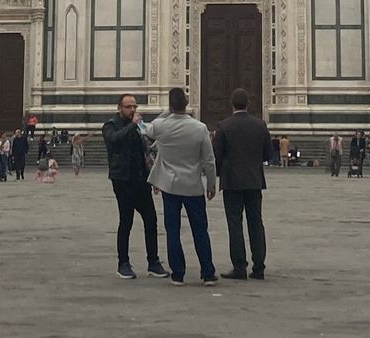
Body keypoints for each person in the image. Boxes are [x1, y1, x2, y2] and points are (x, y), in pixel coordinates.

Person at [143, 87, 217, 286]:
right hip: (193, 186)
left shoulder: (160, 127)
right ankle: (208, 273)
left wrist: (168, 111)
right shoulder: (200, 128)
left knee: (172, 230)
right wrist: (211, 183)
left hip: (170, 186)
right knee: (200, 230)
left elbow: (147, 127)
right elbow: (209, 160)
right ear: (186, 104)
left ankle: (178, 274)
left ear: (170, 105)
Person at [102, 93, 168, 281]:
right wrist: (132, 125)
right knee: (126, 221)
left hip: (140, 180)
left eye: (134, 107)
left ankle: (153, 262)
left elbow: (144, 153)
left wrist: (153, 178)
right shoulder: (110, 126)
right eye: (128, 107)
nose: (132, 110)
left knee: (151, 220)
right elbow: (114, 141)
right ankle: (123, 263)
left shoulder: (138, 128)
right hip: (122, 181)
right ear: (119, 108)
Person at [213, 88, 271, 281]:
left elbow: (217, 156)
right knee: (256, 223)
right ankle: (259, 267)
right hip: (254, 180)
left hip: (232, 182)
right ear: (248, 103)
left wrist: (221, 173)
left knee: (234, 223)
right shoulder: (260, 125)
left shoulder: (224, 126)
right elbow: (268, 155)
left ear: (232, 104)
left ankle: (239, 267)